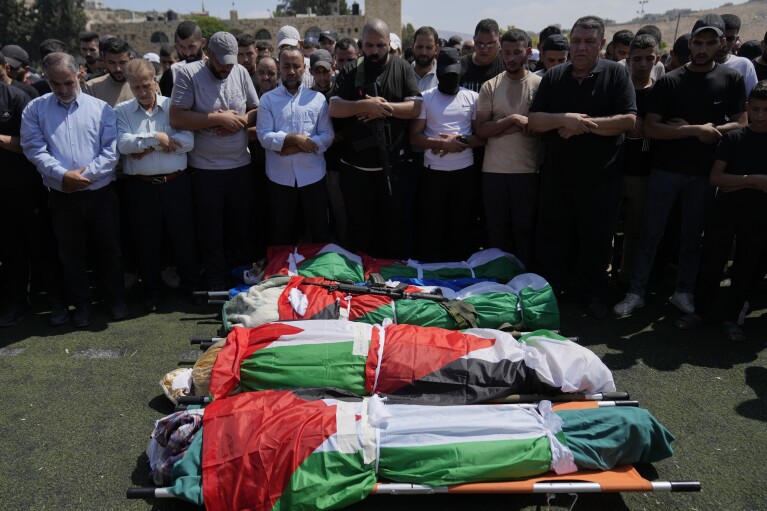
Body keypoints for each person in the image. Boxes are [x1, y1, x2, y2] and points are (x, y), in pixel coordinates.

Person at [613, 14, 747, 318]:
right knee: (650, 234)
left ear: (721, 43)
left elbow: (742, 122)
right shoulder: (671, 81)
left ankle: (683, 292)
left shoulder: (731, 78)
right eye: (697, 42)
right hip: (665, 170)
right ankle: (636, 292)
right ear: (690, 43)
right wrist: (693, 131)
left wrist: (708, 130)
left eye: (709, 43)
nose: (702, 49)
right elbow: (653, 128)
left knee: (691, 236)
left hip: (704, 174)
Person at [528, 16, 637, 319]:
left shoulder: (616, 74)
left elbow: (627, 121)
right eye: (576, 41)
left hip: (601, 180)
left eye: (589, 42)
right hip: (557, 178)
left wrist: (582, 125)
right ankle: (552, 293)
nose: (581, 47)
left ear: (602, 45)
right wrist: (565, 119)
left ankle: (593, 295)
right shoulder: (554, 76)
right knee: (553, 239)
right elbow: (535, 121)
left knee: (596, 241)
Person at [21, 52, 126, 328]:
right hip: (62, 197)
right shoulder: (35, 109)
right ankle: (81, 305)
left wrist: (85, 177)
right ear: (46, 79)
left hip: (101, 194)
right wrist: (62, 175)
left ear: (79, 73)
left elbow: (110, 150)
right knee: (71, 255)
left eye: (68, 82)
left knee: (110, 250)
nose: (64, 90)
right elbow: (33, 148)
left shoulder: (100, 108)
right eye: (56, 84)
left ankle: (115, 299)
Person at [673, 80, 767, 341]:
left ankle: (732, 317)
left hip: (758, 217)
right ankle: (700, 312)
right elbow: (716, 178)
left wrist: (738, 181)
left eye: (765, 110)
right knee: (712, 263)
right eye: (756, 109)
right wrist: (755, 180)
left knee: (745, 268)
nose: (759, 116)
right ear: (747, 107)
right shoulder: (735, 137)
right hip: (724, 213)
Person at [169, 32, 258, 290]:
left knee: (240, 226)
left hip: (240, 165)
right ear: (208, 53)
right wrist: (216, 119)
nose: (226, 69)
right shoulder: (188, 74)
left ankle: (241, 272)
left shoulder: (239, 72)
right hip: (206, 170)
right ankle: (216, 277)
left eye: (230, 64)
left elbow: (257, 109)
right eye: (221, 63)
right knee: (211, 229)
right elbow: (177, 117)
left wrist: (240, 121)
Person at [329, 18, 422, 258]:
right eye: (369, 46)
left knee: (394, 226)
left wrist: (382, 108)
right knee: (360, 229)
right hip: (356, 169)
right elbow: (335, 107)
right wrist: (364, 105)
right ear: (362, 45)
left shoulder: (402, 68)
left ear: (389, 44)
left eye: (380, 45)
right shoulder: (351, 70)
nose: (374, 51)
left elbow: (415, 107)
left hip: (393, 168)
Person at [115, 59, 201, 312]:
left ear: (156, 81)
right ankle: (152, 293)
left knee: (184, 239)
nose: (142, 92)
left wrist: (143, 145)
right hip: (141, 188)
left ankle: (192, 288)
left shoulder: (173, 108)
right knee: (146, 242)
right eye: (136, 87)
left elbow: (188, 142)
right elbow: (123, 145)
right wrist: (158, 139)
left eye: (145, 85)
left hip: (176, 183)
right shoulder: (121, 111)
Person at [0, 81, 67, 327]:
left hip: (26, 190)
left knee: (41, 249)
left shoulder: (17, 98)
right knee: (10, 252)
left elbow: (30, 144)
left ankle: (58, 302)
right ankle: (18, 303)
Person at [409, 47, 482, 261]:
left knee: (462, 225)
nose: (450, 78)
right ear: (438, 71)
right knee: (432, 225)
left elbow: (481, 137)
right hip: (433, 174)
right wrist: (440, 143)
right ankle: (432, 267)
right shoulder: (426, 98)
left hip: (464, 173)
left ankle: (460, 267)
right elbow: (414, 137)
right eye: (446, 73)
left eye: (454, 74)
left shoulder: (473, 98)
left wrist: (459, 142)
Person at [475, 29, 541, 265]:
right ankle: (498, 281)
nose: (511, 58)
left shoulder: (539, 85)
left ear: (528, 52)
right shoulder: (490, 86)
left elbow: (539, 128)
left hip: (527, 171)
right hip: (494, 171)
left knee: (525, 230)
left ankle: (524, 278)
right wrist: (514, 120)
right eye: (507, 52)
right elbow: (481, 130)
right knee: (496, 230)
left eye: (517, 52)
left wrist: (499, 125)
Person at [257, 46, 334, 246]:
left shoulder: (317, 99)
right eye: (286, 66)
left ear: (304, 68)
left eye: (296, 66)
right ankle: (284, 275)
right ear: (280, 68)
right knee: (282, 235)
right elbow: (264, 136)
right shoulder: (268, 100)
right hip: (279, 179)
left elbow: (327, 135)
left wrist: (297, 147)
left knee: (319, 233)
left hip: (313, 178)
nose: (291, 71)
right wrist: (298, 139)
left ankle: (319, 275)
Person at [616, 34, 660, 285]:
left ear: (657, 59)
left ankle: (626, 276)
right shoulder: (618, 88)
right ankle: (604, 273)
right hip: (612, 170)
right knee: (604, 228)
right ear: (628, 59)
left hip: (643, 173)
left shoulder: (661, 91)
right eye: (637, 59)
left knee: (635, 230)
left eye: (649, 59)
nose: (643, 64)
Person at [310, 49, 348, 246]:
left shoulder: (339, 94)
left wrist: (327, 139)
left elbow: (344, 132)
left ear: (333, 69)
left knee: (338, 207)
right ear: (311, 73)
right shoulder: (306, 96)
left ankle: (342, 246)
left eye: (325, 71)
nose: (322, 77)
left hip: (334, 163)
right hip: (312, 163)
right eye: (318, 72)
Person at [159, 21, 206, 98]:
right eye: (182, 47)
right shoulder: (172, 73)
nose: (187, 53)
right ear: (176, 46)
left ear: (203, 43)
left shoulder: (216, 69)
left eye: (191, 47)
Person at [84, 37, 133, 107]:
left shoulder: (143, 85)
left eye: (122, 62)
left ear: (130, 60)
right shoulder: (92, 87)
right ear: (104, 61)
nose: (117, 69)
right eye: (111, 62)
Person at [459, 19, 505, 93]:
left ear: (499, 40)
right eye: (480, 43)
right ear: (474, 40)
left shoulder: (507, 68)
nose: (485, 49)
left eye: (490, 44)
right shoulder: (459, 66)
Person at [717, 14, 758, 95]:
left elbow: (754, 101)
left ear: (736, 40)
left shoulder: (744, 65)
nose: (724, 44)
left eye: (729, 39)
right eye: (721, 38)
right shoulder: (697, 65)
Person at [412, 26, 441, 91]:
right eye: (420, 47)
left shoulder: (443, 77)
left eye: (428, 48)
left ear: (436, 49)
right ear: (412, 47)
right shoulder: (402, 75)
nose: (423, 53)